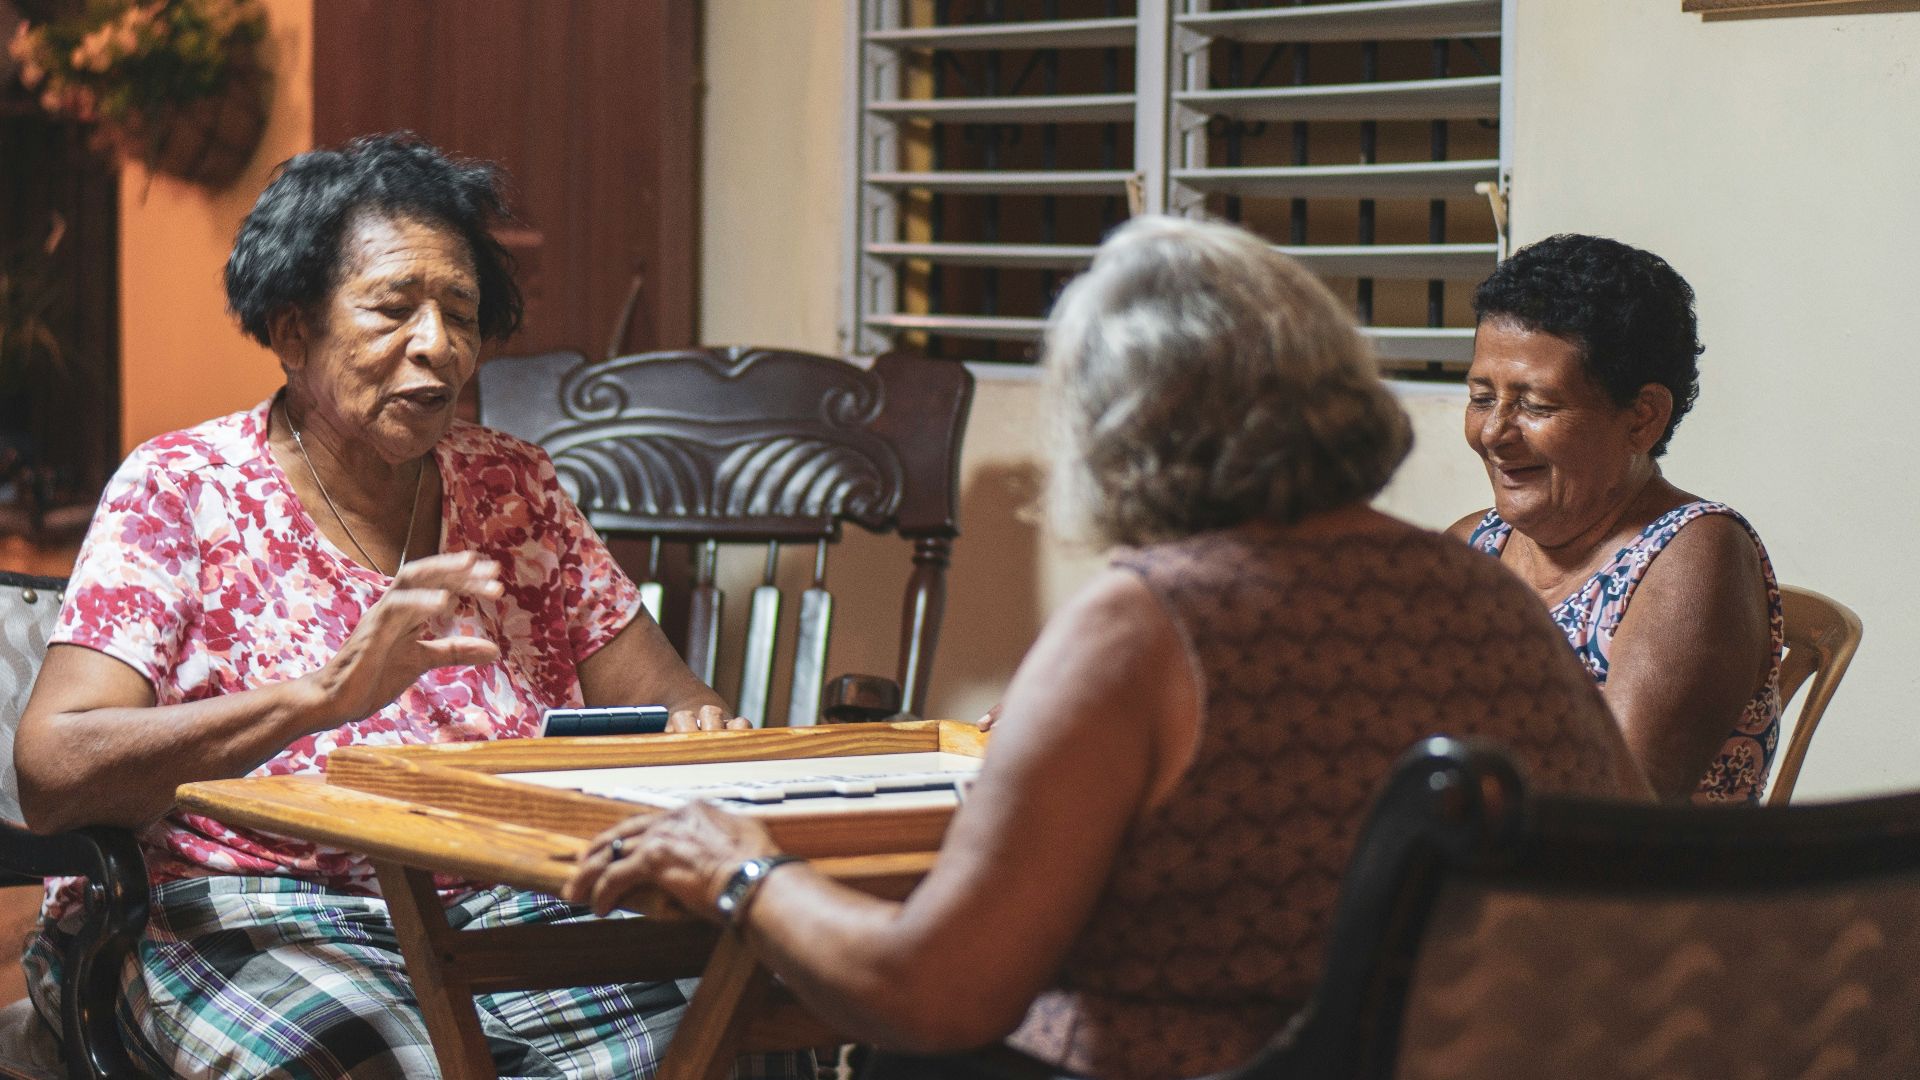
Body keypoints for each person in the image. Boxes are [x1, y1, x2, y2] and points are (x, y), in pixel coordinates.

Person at [562, 216, 1651, 1080]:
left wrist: (737, 866)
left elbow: (932, 990)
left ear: (1118, 430)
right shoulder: (1489, 590)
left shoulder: (1151, 621)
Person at [15, 134, 801, 1078]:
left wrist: (695, 735)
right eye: (394, 308)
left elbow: (679, 707)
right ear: (292, 328)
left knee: (750, 1002)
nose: (437, 345)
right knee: (384, 1063)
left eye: (460, 313)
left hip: (507, 900)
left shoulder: (515, 487)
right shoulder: (180, 489)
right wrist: (327, 694)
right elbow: (55, 770)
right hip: (245, 906)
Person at [1446, 234, 1783, 804]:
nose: (1494, 434)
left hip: (1636, 889)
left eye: (1535, 404)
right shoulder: (1473, 545)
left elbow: (1616, 815)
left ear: (1642, 417)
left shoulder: (1695, 555)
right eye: (1482, 397)